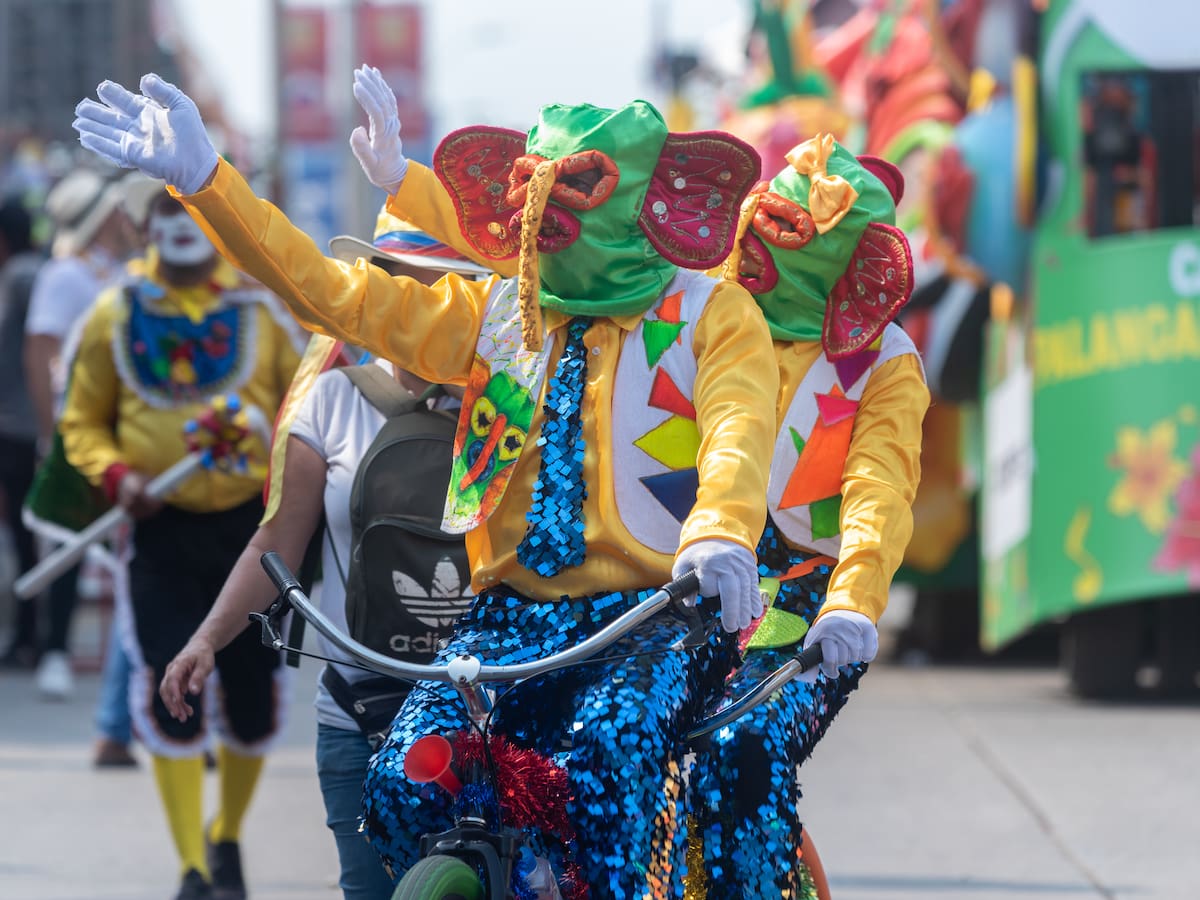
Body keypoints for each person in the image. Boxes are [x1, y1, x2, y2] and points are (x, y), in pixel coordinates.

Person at [74, 71, 778, 897]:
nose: (535, 233)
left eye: (566, 204)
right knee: (404, 782)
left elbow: (738, 431)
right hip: (508, 617)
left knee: (611, 767)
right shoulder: (500, 315)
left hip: (652, 617)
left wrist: (721, 529)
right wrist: (209, 184)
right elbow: (333, 295)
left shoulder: (711, 314)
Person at [378, 123, 927, 896]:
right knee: (545, 746)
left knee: (742, 748)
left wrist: (855, 602)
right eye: (766, 214)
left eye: (795, 230)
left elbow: (880, 489)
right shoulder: (690, 301)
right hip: (674, 588)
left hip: (798, 607)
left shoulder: (884, 363)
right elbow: (548, 243)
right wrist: (401, 179)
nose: (762, 239)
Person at [159, 212, 487, 900]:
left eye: (451, 292)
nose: (425, 311)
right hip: (359, 713)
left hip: (490, 713)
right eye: (406, 290)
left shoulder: (518, 405)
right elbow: (277, 544)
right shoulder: (332, 401)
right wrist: (206, 641)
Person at [57, 185, 304, 900]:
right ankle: (193, 865)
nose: (181, 226)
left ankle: (226, 836)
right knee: (170, 689)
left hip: (251, 536)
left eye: (192, 210)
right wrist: (116, 475)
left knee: (253, 699)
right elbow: (82, 422)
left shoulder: (262, 315)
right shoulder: (113, 314)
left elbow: (305, 408)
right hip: (161, 535)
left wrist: (272, 448)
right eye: (166, 212)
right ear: (144, 226)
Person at [15, 167, 149, 702]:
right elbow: (40, 352)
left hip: (126, 430)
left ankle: (129, 663)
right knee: (70, 542)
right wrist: (53, 436)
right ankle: (54, 652)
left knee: (129, 547)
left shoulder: (116, 272)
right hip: (82, 432)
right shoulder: (66, 276)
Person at [0, 196, 44, 661]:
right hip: (20, 421)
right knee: (23, 533)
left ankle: (29, 637)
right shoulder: (29, 272)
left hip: (19, 424)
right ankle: (28, 634)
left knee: (24, 531)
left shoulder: (22, 275)